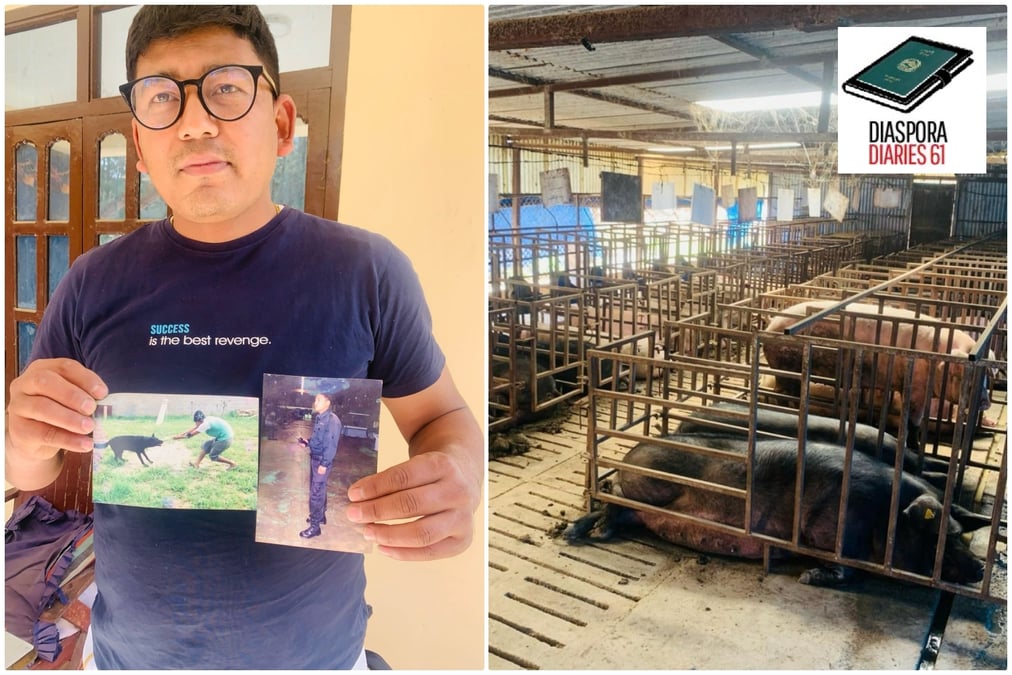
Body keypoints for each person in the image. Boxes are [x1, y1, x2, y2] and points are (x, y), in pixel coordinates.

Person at [4, 5, 482, 669]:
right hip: (126, 659)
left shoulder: (366, 271)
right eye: (162, 97)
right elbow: (35, 473)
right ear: (140, 146)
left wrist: (460, 470)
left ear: (282, 123)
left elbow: (442, 417)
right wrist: (21, 438)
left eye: (226, 87)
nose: (195, 121)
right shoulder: (90, 284)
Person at [297, 393, 343, 537]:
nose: (315, 402)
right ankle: (321, 516)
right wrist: (307, 442)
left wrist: (324, 463)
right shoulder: (320, 418)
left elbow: (331, 445)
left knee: (315, 493)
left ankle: (315, 527)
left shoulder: (332, 420)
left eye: (319, 400)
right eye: (315, 399)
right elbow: (318, 440)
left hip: (321, 461)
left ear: (328, 402)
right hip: (315, 458)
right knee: (319, 489)